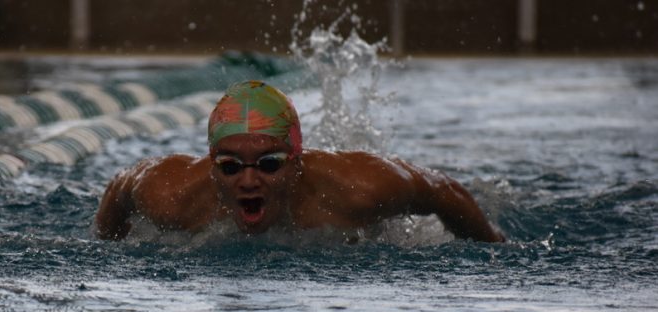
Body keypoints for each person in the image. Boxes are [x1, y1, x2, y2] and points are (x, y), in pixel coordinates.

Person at [95, 80, 505, 243]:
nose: (248, 180)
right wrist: (108, 247)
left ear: (296, 161)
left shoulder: (360, 189)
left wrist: (491, 248)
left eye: (269, 164)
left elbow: (441, 190)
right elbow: (119, 188)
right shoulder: (172, 195)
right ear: (210, 163)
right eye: (231, 166)